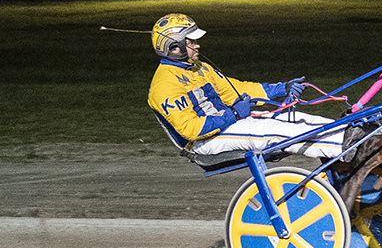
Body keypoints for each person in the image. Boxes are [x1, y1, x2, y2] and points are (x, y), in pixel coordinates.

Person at [148, 13, 353, 161]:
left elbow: (238, 90)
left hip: (228, 125)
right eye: (191, 42)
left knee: (295, 118)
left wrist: (282, 88)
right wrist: (235, 115)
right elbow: (191, 130)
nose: (197, 45)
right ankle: (345, 146)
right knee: (271, 130)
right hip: (206, 142)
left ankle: (349, 132)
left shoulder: (200, 68)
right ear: (174, 47)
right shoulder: (164, 85)